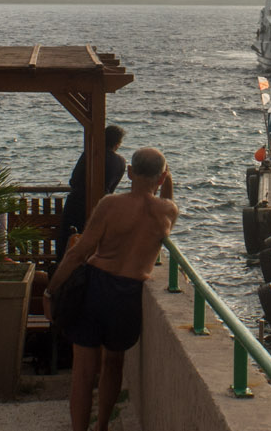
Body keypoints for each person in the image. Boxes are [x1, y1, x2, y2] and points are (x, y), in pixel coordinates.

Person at [48, 147, 177, 431]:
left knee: (83, 373)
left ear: (129, 173)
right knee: (114, 363)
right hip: (128, 293)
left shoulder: (110, 204)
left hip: (96, 285)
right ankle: (103, 425)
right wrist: (166, 181)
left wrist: (51, 290)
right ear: (161, 178)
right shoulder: (167, 211)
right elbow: (166, 201)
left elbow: (78, 253)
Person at [57, 124, 127, 257]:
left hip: (76, 204)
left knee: (66, 241)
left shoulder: (89, 154)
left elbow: (74, 180)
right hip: (101, 208)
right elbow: (111, 189)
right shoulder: (120, 162)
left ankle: (62, 269)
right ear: (117, 143)